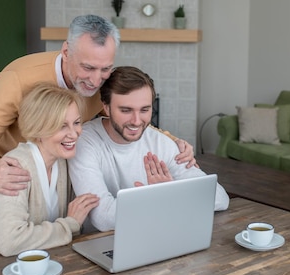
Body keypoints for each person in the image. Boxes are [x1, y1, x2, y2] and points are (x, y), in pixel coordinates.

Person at [0, 14, 195, 199]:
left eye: (105, 69)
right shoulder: (18, 77)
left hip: (62, 171)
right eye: (88, 68)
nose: (96, 80)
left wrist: (173, 141)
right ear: (65, 52)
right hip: (9, 172)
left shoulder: (104, 83)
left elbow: (127, 115)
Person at [0, 83, 99, 264]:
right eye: (62, 126)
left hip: (20, 266)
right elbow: (10, 242)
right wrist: (69, 224)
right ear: (39, 128)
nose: (74, 134)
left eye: (77, 122)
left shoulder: (63, 161)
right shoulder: (15, 168)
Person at [68, 66, 230, 232]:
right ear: (106, 107)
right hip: (103, 242)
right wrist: (163, 198)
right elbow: (102, 217)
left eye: (145, 110)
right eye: (126, 110)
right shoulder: (85, 141)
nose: (137, 121)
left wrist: (171, 192)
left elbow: (219, 198)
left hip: (156, 233)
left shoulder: (160, 142)